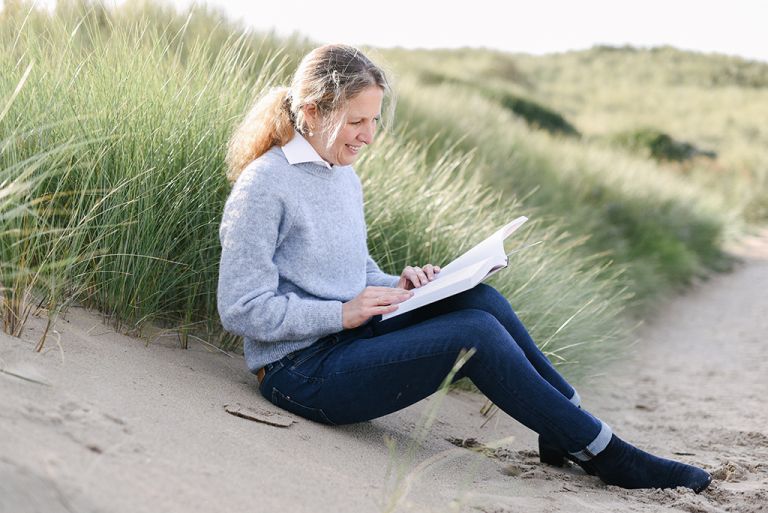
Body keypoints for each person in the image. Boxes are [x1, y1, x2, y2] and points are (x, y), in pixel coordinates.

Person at [217, 43, 711, 493]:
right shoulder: (265, 186)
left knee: (479, 300)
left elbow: (353, 269)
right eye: (356, 122)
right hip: (298, 371)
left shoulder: (341, 175)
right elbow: (241, 309)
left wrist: (398, 284)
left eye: (374, 121)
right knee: (474, 334)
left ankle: (567, 427)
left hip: (349, 338)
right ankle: (610, 454)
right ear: (311, 111)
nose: (368, 136)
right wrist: (341, 314)